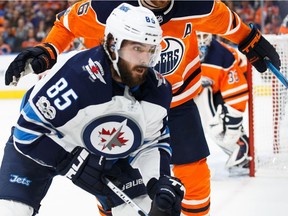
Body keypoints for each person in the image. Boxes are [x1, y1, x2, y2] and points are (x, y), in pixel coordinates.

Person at [3, 0, 281, 215]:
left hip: (177, 101)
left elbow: (227, 22)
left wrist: (250, 40)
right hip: (121, 104)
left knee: (193, 177)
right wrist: (49, 49)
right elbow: (67, 24)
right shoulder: (107, 8)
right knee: (112, 179)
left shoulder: (197, 5)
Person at [0, 3, 185, 216]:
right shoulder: (76, 75)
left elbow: (153, 142)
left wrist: (157, 181)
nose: (144, 60)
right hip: (45, 145)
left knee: (142, 208)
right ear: (112, 43)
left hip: (104, 154)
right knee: (9, 211)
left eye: (150, 50)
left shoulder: (157, 92)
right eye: (136, 48)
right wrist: (70, 162)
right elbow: (27, 133)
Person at [194, 31, 251, 175]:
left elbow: (236, 90)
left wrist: (233, 123)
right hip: (196, 92)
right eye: (197, 36)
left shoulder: (223, 55)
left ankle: (242, 149)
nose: (201, 42)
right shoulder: (180, 51)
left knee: (215, 125)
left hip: (222, 90)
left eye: (204, 36)